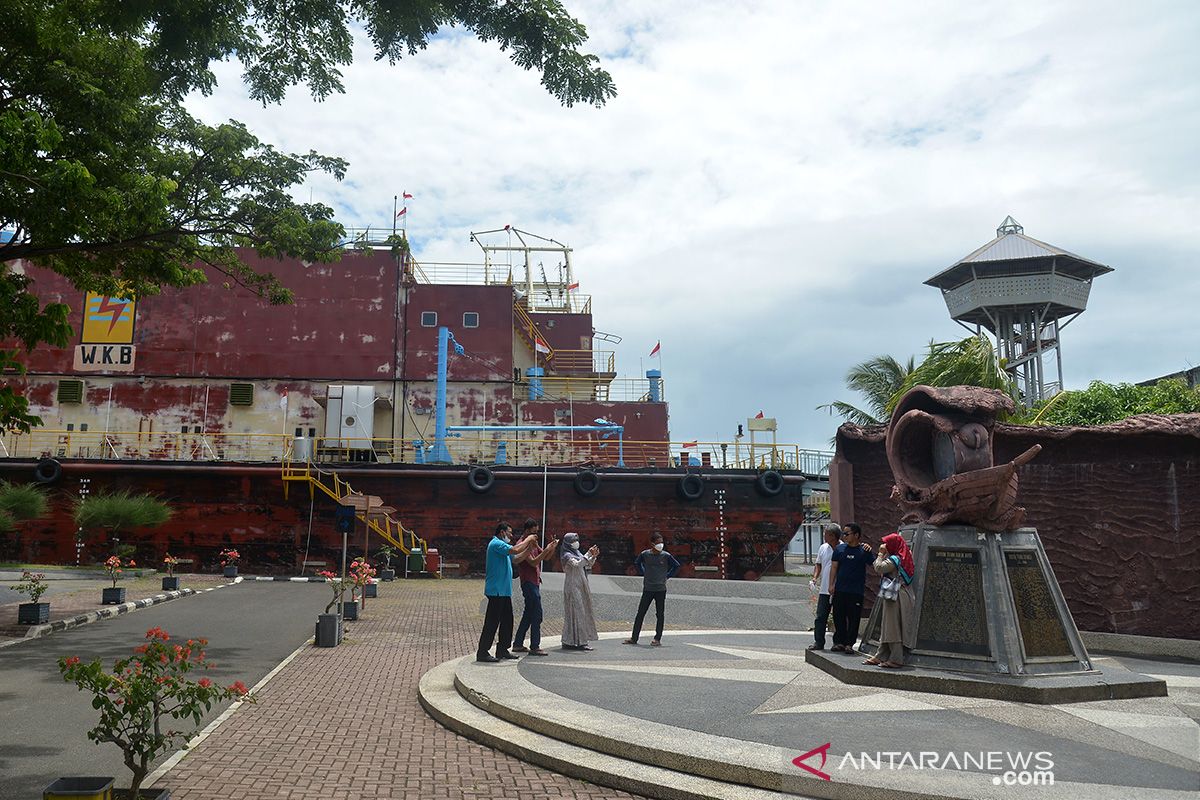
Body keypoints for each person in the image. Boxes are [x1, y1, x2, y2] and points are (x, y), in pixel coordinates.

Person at [476, 522, 538, 663]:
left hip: (504, 591)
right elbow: (515, 550)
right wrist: (528, 539)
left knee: (507, 621)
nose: (511, 535)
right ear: (502, 532)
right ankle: (482, 652)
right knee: (492, 622)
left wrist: (529, 548)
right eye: (509, 533)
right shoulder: (496, 544)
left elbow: (516, 559)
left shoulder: (503, 548)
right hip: (496, 591)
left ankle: (502, 649)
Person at [864, 532, 916, 668]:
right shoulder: (905, 555)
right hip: (900, 594)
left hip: (896, 597)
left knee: (893, 627)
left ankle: (896, 658)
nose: (884, 545)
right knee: (887, 625)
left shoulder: (895, 559)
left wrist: (880, 554)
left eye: (887, 543)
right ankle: (881, 655)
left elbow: (878, 567)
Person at [511, 519, 559, 656]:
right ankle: (535, 646)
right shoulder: (521, 545)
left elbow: (545, 557)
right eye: (534, 532)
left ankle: (518, 644)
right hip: (528, 582)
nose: (536, 535)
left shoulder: (533, 543)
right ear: (527, 531)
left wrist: (552, 547)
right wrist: (546, 550)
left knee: (528, 615)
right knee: (537, 615)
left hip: (535, 582)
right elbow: (533, 562)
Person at [624, 532, 681, 646]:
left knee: (660, 614)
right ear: (652, 543)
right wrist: (643, 572)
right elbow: (637, 563)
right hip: (648, 588)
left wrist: (667, 576)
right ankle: (634, 638)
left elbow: (676, 565)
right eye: (658, 542)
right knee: (641, 613)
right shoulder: (645, 554)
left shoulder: (666, 556)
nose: (660, 545)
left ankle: (657, 638)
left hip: (660, 589)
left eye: (662, 542)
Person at [827, 522, 873, 654]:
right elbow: (834, 567)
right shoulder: (840, 549)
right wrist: (831, 584)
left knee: (853, 618)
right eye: (843, 534)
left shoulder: (864, 551)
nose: (844, 536)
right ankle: (838, 642)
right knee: (838, 616)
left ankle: (849, 644)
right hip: (840, 589)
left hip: (856, 591)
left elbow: (874, 564)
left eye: (847, 534)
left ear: (856, 535)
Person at [558, 532, 599, 650]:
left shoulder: (577, 553)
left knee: (582, 612)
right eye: (573, 541)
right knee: (575, 613)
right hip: (572, 586)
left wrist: (593, 556)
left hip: (581, 585)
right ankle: (573, 641)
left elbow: (587, 564)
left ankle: (577, 641)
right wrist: (588, 554)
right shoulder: (567, 555)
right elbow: (577, 564)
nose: (576, 543)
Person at [807, 524, 842, 651]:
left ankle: (838, 642)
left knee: (839, 617)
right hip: (824, 589)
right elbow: (818, 565)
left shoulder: (843, 547)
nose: (823, 536)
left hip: (839, 589)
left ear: (832, 536)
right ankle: (819, 642)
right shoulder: (823, 548)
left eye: (826, 534)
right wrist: (815, 578)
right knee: (821, 616)